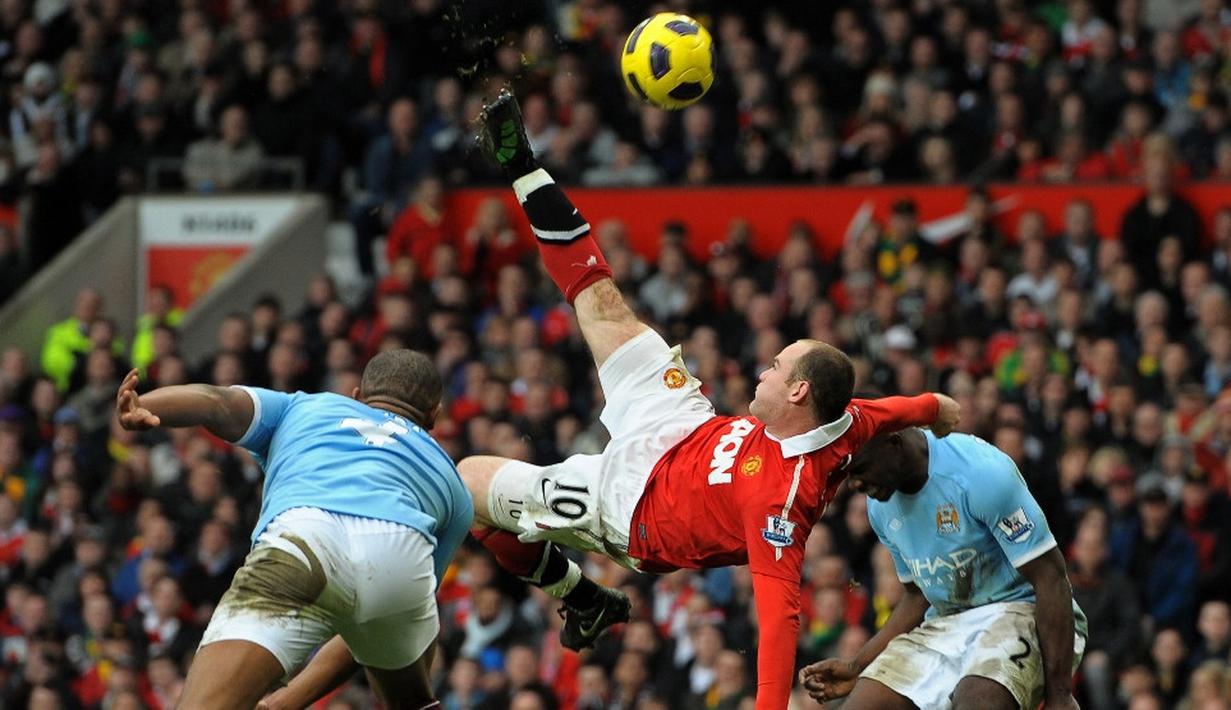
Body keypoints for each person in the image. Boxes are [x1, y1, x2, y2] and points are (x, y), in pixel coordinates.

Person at [458, 89, 960, 708]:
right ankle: (523, 166)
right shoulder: (845, 420)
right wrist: (939, 407)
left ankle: (581, 596)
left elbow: (779, 619)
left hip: (633, 507)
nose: (763, 369)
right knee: (604, 303)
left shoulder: (782, 502)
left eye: (776, 367)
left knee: (467, 484)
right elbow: (901, 407)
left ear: (798, 391)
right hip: (684, 424)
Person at [113, 348, 472, 710]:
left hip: (305, 538)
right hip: (401, 555)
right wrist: (286, 701)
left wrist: (144, 404)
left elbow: (215, 401)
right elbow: (378, 616)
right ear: (433, 417)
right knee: (412, 700)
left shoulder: (303, 406)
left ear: (357, 397)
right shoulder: (454, 485)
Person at [799, 429, 1086, 710]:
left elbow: (1050, 577)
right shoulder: (879, 506)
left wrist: (1060, 694)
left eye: (860, 469)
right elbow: (917, 596)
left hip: (1021, 608)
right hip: (947, 621)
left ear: (893, 445)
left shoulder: (980, 472)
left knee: (979, 698)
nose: (855, 485)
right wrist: (858, 664)